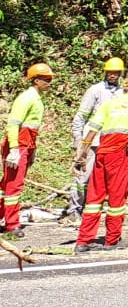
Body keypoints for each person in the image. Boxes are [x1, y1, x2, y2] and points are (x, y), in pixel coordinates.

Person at [72, 79, 128, 252]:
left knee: (94, 196)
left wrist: (82, 154)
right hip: (121, 152)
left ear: (125, 90)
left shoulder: (109, 104)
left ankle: (83, 241)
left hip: (102, 151)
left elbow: (91, 131)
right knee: (117, 196)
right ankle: (112, 240)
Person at [68, 57, 125, 219]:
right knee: (83, 176)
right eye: (110, 72)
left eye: (116, 72)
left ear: (120, 73)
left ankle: (91, 209)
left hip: (110, 142)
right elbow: (81, 116)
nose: (113, 75)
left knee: (102, 179)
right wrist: (78, 140)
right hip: (92, 140)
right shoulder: (95, 90)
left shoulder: (122, 93)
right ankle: (74, 209)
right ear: (105, 72)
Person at [2, 62, 54, 238]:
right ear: (36, 80)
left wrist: (32, 150)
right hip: (18, 146)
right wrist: (14, 149)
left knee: (7, 185)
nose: (49, 83)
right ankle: (12, 224)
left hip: (26, 145)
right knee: (13, 186)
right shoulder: (26, 98)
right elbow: (13, 124)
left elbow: (31, 129)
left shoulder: (36, 99)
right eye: (46, 79)